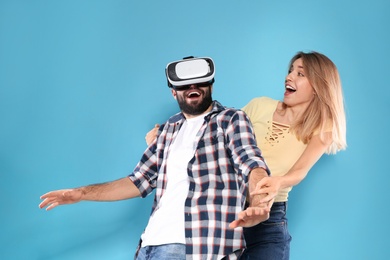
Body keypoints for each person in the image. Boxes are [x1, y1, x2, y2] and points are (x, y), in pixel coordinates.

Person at [39, 56, 272, 260]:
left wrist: (260, 202)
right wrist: (81, 193)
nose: (193, 86)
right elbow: (137, 181)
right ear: (174, 92)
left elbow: (251, 162)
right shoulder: (170, 128)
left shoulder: (230, 119)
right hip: (149, 246)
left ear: (210, 85)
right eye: (184, 84)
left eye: (200, 81)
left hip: (197, 247)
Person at [145, 51, 347, 260]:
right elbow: (214, 132)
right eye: (290, 71)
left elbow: (299, 171)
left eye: (300, 74)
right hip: (225, 215)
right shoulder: (260, 105)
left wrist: (278, 182)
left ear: (319, 86)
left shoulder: (322, 129)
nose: (289, 77)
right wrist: (168, 137)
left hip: (269, 221)